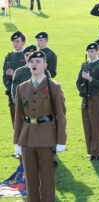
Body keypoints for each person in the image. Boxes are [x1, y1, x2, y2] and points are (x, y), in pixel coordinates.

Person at [13, 50, 67, 202]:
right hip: (27, 138)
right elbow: (19, 117)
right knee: (30, 180)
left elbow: (61, 116)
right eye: (32, 62)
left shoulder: (54, 87)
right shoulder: (22, 88)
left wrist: (61, 141)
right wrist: (17, 141)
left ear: (45, 65)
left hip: (46, 138)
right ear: (28, 65)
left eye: (38, 62)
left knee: (48, 179)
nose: (34, 64)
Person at [76, 42, 99, 160]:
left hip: (96, 98)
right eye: (89, 52)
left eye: (92, 51)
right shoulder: (84, 65)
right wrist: (82, 90)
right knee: (87, 124)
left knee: (95, 125)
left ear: (97, 51)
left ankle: (96, 152)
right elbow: (78, 81)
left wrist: (90, 79)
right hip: (86, 97)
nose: (90, 54)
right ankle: (90, 150)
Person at [2, 31, 26, 128]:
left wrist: (14, 74)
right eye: (13, 42)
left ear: (23, 42)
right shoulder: (9, 57)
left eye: (17, 41)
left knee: (29, 127)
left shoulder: (28, 55)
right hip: (13, 97)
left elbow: (29, 75)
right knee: (16, 127)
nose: (15, 44)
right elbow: (4, 78)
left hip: (27, 96)